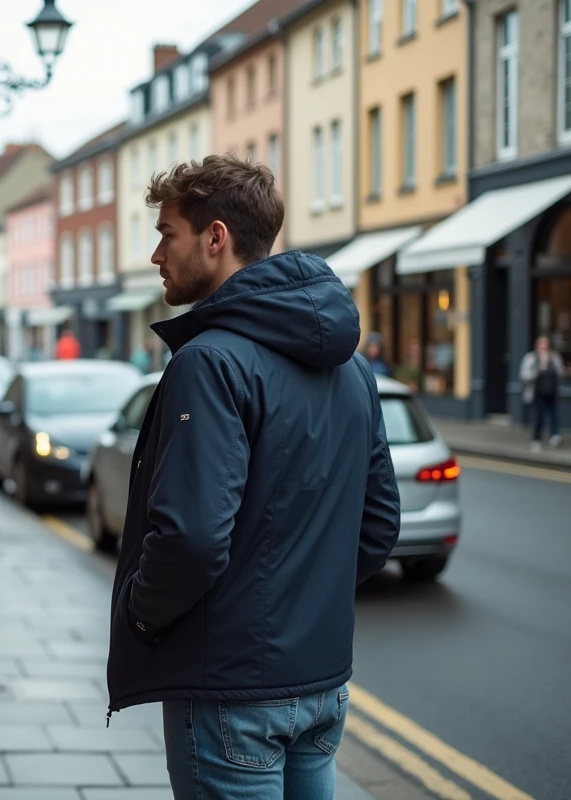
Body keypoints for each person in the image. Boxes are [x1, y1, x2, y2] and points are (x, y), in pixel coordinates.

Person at [106, 154, 401, 799]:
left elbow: (191, 540)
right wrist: (301, 603)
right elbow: (378, 528)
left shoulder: (208, 363)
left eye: (167, 234)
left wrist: (138, 614)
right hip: (321, 685)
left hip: (228, 691)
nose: (156, 254)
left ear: (216, 239)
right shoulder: (352, 371)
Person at [520, 335, 565, 451]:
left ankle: (554, 436)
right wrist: (538, 370)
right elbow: (524, 375)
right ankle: (536, 440)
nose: (544, 346)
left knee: (554, 415)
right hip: (536, 393)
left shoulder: (554, 357)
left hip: (552, 392)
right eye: (542, 344)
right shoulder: (530, 358)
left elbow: (561, 372)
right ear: (537, 345)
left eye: (546, 344)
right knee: (538, 417)